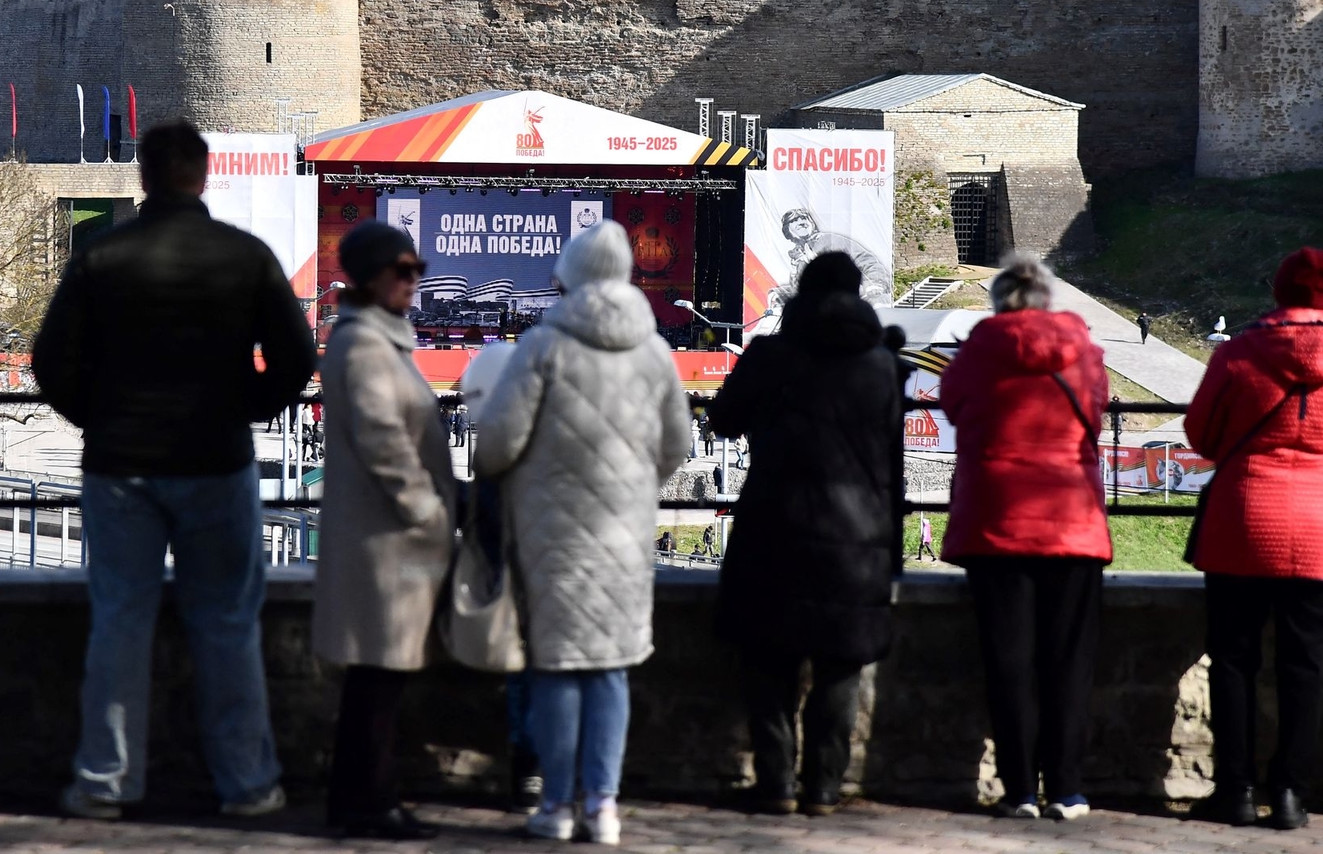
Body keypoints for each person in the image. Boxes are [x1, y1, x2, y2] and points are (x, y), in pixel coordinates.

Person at [33, 121, 316, 821]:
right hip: (215, 459)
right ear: (204, 175)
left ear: (143, 178)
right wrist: (242, 408)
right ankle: (246, 784)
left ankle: (105, 781)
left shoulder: (102, 256)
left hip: (121, 463)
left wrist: (98, 416)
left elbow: (49, 362)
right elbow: (296, 359)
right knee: (227, 623)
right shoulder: (244, 256)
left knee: (119, 622)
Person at [475, 221, 690, 845]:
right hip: (624, 538)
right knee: (612, 668)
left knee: (557, 668)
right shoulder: (655, 352)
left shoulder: (545, 345)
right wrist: (632, 484)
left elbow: (495, 447)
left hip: (552, 539)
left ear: (568, 273)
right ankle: (604, 807)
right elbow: (677, 446)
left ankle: (558, 805)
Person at [709, 252, 906, 817]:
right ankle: (823, 787)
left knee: (767, 663)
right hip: (857, 536)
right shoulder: (880, 366)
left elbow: (723, 418)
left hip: (775, 526)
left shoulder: (770, 354)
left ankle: (776, 784)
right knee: (840, 666)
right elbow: (892, 468)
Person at [1184, 247, 1323, 831]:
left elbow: (1201, 434)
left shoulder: (1239, 353)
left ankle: (1235, 789)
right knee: (1304, 664)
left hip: (1242, 520)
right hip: (1320, 526)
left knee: (1234, 659)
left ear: (1278, 289)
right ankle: (1291, 793)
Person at [939, 253, 1110, 821]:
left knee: (1007, 661)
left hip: (998, 520)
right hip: (1073, 521)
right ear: (1046, 299)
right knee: (1068, 662)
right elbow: (1098, 409)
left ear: (999, 300)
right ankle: (1066, 787)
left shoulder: (978, 350)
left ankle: (1019, 791)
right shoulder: (1084, 352)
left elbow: (954, 407)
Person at [311, 221, 457, 841]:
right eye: (402, 271)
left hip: (387, 538)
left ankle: (360, 799)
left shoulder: (373, 340)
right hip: (387, 540)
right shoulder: (367, 347)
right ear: (369, 277)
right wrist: (427, 509)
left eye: (416, 270)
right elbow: (384, 442)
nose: (414, 281)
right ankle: (368, 804)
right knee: (378, 678)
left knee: (377, 680)